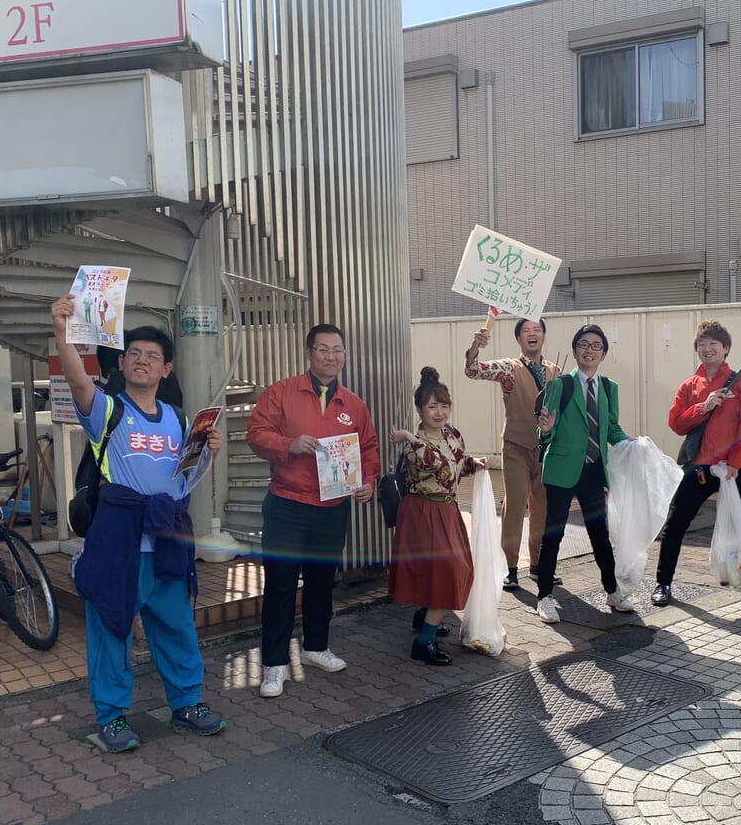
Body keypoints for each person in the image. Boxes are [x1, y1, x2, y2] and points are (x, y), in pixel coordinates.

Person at [51, 295, 226, 754]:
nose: (143, 361)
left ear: (166, 369)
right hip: (119, 543)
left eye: (153, 356)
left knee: (176, 627)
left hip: (165, 541)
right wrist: (62, 328)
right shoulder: (107, 410)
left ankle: (187, 704)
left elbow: (184, 477)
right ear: (123, 363)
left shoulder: (179, 419)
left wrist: (209, 451)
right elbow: (75, 377)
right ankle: (111, 716)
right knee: (111, 630)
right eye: (135, 354)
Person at [247, 325, 380, 698]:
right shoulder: (282, 392)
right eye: (323, 349)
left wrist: (367, 480)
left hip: (332, 508)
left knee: (322, 582)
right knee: (281, 585)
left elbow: (367, 447)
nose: (331, 356)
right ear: (309, 353)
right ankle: (274, 664)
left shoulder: (353, 403)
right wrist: (289, 444)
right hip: (287, 503)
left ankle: (315, 647)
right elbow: (256, 433)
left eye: (338, 350)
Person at [652, 319, 741, 606]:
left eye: (713, 343)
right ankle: (663, 583)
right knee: (675, 525)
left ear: (726, 348)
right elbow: (676, 423)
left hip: (735, 471)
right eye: (702, 344)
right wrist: (704, 406)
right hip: (698, 469)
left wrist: (736, 463)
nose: (707, 348)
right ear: (696, 349)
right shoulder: (689, 386)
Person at [534, 324, 635, 623]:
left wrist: (630, 444)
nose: (589, 350)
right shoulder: (559, 385)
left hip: (593, 469)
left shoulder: (608, 387)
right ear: (575, 349)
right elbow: (545, 432)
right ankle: (544, 597)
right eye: (583, 344)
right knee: (553, 534)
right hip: (562, 469)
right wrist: (546, 430)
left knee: (599, 534)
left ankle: (612, 591)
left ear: (603, 353)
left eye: (595, 346)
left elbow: (611, 427)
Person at [387, 368, 487, 666]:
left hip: (447, 510)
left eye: (444, 405)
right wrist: (407, 436)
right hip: (424, 512)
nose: (439, 412)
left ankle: (423, 616)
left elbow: (454, 466)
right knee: (447, 572)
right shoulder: (414, 445)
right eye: (432, 406)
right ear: (420, 409)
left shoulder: (453, 434)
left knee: (442, 570)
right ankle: (424, 642)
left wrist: (473, 463)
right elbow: (439, 466)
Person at [464, 318, 561, 591]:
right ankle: (511, 567)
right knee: (515, 505)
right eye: (526, 331)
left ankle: (539, 564)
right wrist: (476, 345)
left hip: (545, 448)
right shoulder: (509, 368)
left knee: (542, 506)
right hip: (516, 446)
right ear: (518, 339)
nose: (532, 335)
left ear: (544, 336)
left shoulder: (556, 371)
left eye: (537, 330)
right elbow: (473, 370)